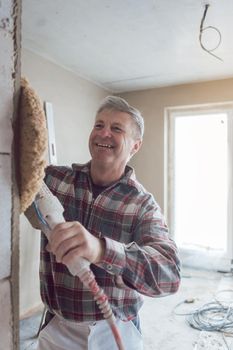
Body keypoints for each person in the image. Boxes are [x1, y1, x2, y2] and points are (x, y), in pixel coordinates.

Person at [36, 96, 180, 350]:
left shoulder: (142, 204)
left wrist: (101, 250)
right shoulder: (54, 181)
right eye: (99, 125)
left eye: (116, 128)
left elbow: (169, 274)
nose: (104, 133)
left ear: (135, 146)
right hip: (57, 326)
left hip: (114, 332)